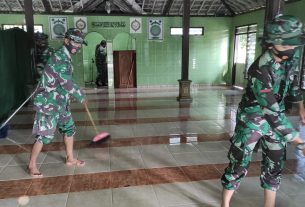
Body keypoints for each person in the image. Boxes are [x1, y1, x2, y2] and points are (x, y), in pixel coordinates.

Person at [221, 15, 305, 207]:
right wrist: (299, 141)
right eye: (286, 46)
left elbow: (293, 84)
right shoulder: (260, 70)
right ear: (271, 44)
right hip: (252, 120)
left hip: (277, 121)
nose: (291, 50)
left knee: (275, 165)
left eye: (293, 45)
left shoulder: (290, 57)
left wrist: (301, 106)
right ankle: (224, 205)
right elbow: (270, 110)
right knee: (238, 164)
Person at [27, 28, 88, 178]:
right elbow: (67, 83)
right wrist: (81, 96)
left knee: (69, 129)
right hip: (49, 103)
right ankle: (32, 165)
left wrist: (74, 95)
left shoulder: (65, 56)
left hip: (61, 102)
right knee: (44, 135)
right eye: (76, 42)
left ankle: (70, 158)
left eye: (80, 44)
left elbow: (66, 82)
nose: (78, 46)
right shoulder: (59, 57)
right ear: (67, 41)